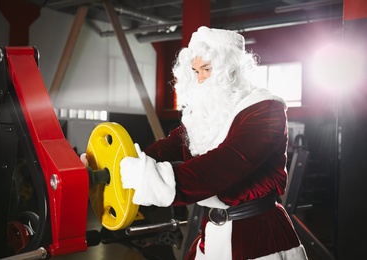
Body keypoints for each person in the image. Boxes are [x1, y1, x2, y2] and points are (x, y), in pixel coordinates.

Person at [118, 26, 308, 259]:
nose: (200, 79)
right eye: (196, 71)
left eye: (207, 69)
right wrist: (117, 165)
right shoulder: (207, 115)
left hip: (260, 238)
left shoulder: (266, 109)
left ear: (231, 70)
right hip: (212, 234)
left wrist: (155, 180)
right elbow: (169, 146)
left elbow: (225, 164)